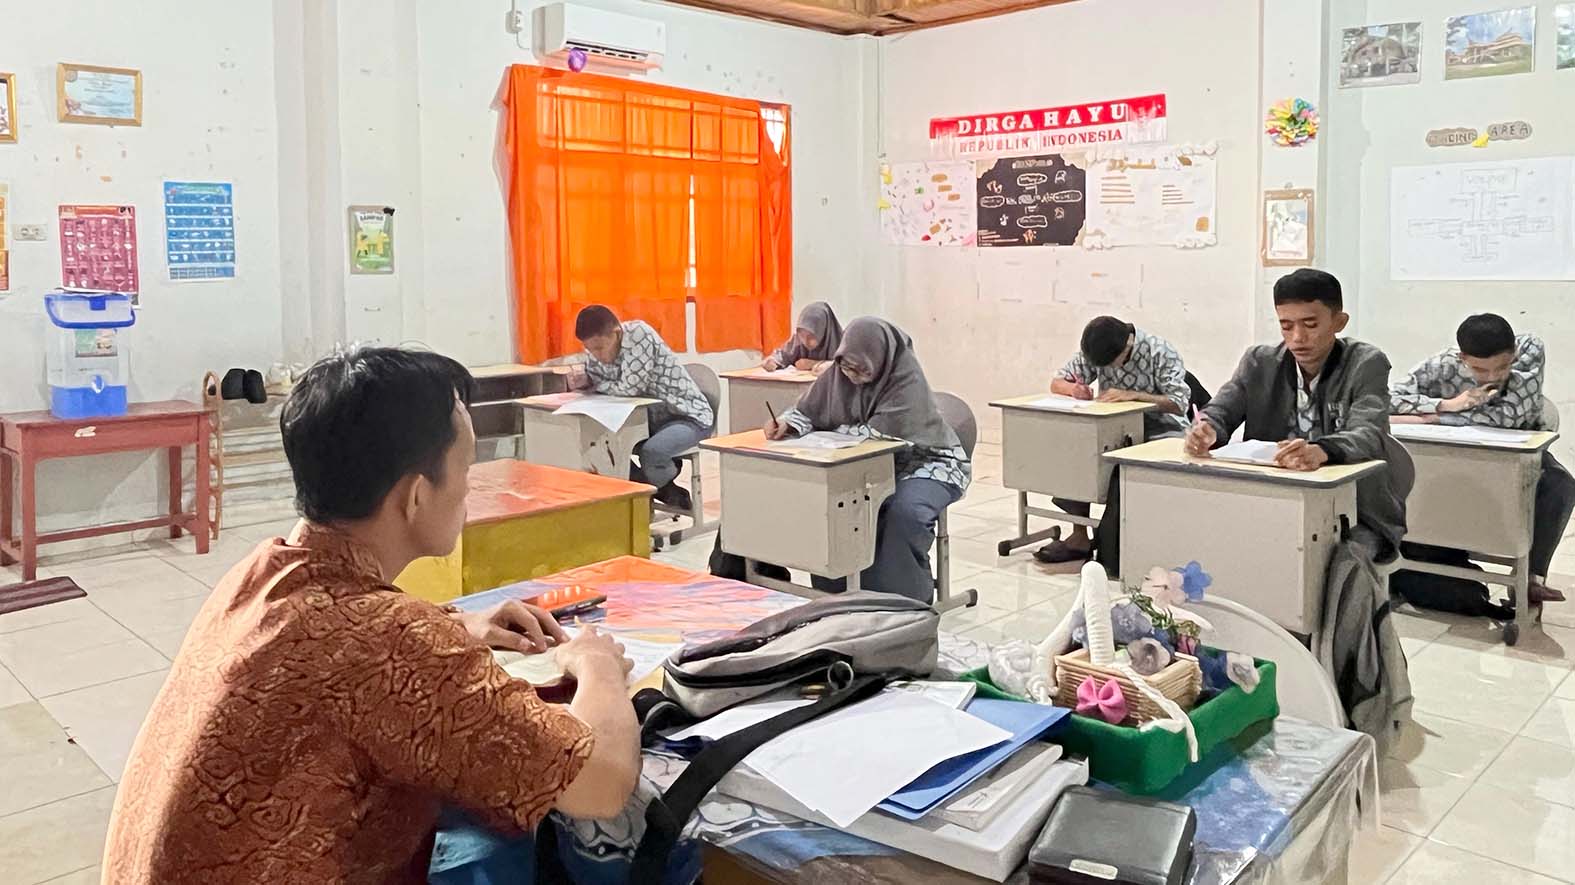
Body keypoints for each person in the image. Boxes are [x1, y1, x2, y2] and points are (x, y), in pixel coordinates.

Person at [103, 348, 641, 884]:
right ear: (415, 496)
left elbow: (338, 652)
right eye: (465, 468)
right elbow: (601, 783)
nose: (469, 487)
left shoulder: (262, 572)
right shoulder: (392, 642)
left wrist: (456, 625)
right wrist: (595, 665)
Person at [1184, 268, 1407, 558]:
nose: (1298, 337)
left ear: (1339, 322)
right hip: (1272, 499)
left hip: (1353, 511)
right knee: (1219, 541)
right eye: (1286, 326)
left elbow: (1369, 432)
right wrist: (1207, 430)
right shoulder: (1260, 362)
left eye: (1310, 324)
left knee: (1337, 560)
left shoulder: (1365, 363)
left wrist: (1322, 450)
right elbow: (1221, 409)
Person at [764, 317, 970, 601]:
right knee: (836, 508)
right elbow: (807, 410)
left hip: (926, 464)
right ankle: (840, 592)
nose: (852, 376)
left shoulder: (905, 382)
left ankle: (908, 600)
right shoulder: (838, 373)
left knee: (904, 513)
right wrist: (787, 423)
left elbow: (878, 435)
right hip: (866, 465)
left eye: (862, 369)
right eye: (847, 366)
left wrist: (834, 432)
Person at [1391, 313, 1571, 604]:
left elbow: (1507, 418)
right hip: (1466, 455)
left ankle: (1531, 577)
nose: (1492, 377)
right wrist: (1446, 404)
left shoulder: (1529, 349)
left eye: (1502, 366)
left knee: (1561, 483)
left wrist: (1433, 418)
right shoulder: (1441, 365)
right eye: (1479, 369)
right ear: (1462, 358)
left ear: (1513, 353)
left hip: (1521, 449)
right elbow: (1387, 399)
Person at [1036, 316, 1192, 564]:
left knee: (1139, 467)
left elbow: (1178, 402)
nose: (1109, 369)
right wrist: (1074, 389)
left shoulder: (1160, 351)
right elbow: (1057, 382)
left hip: (1161, 428)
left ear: (1127, 345)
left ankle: (1129, 542)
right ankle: (1080, 534)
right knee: (1076, 454)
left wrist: (1133, 396)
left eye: (1112, 363)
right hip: (1114, 426)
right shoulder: (1098, 348)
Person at [572, 305, 716, 510]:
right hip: (649, 420)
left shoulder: (639, 335)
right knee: (603, 449)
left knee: (652, 452)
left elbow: (629, 388)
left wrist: (596, 385)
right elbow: (597, 380)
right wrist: (588, 382)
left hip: (686, 416)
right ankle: (656, 488)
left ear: (616, 333)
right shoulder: (596, 352)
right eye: (590, 350)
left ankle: (653, 486)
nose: (596, 355)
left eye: (600, 348)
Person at [762, 301, 843, 375]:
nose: (805, 341)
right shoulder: (798, 341)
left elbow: (844, 367)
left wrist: (814, 363)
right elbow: (782, 355)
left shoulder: (842, 343)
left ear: (824, 331)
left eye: (811, 337)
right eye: (802, 335)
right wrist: (772, 361)